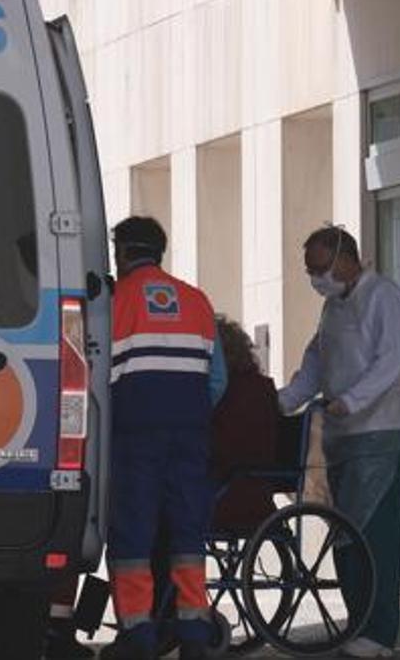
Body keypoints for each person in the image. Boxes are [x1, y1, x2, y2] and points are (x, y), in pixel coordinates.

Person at [279, 226, 400, 659]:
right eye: (311, 271)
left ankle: (378, 633)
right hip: (341, 438)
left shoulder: (383, 297)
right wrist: (285, 401)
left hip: (378, 434)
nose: (317, 278)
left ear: (343, 257)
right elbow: (317, 361)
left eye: (320, 269)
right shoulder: (332, 308)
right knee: (345, 535)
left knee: (375, 536)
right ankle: (359, 624)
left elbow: (391, 362)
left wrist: (351, 401)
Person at [101, 216, 227, 660]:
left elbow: (101, 380)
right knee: (188, 535)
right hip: (189, 438)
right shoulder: (197, 301)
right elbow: (217, 380)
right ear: (159, 250)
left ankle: (138, 636)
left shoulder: (115, 304)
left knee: (133, 537)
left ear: (121, 253)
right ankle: (194, 634)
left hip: (135, 438)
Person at [208, 317, 279, 535]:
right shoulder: (265, 388)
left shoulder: (220, 392)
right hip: (261, 496)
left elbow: (219, 448)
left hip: (223, 496)